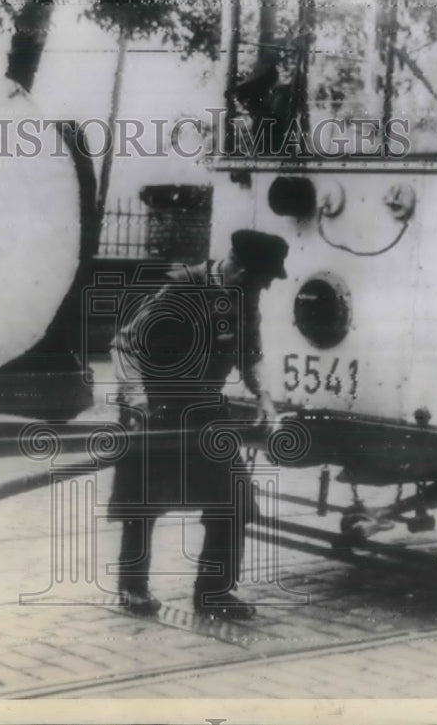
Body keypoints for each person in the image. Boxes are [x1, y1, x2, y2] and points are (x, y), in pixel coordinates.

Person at [108, 229, 289, 621]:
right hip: (156, 406)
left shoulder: (245, 295)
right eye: (264, 278)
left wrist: (265, 397)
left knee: (234, 498)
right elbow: (125, 342)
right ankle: (132, 588)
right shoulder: (182, 288)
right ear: (239, 269)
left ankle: (214, 593)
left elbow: (250, 352)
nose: (267, 286)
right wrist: (137, 402)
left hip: (205, 407)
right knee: (142, 503)